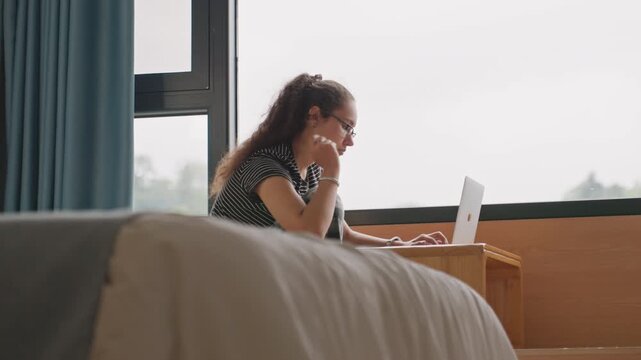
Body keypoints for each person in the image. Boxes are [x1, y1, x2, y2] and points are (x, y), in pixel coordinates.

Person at [209, 73, 447, 247]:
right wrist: (332, 170)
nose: (350, 141)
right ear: (314, 116)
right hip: (226, 284)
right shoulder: (264, 167)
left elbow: (342, 233)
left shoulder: (309, 171)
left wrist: (397, 245)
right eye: (346, 127)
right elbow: (309, 233)